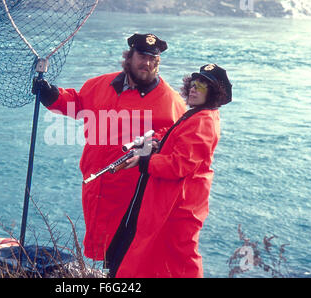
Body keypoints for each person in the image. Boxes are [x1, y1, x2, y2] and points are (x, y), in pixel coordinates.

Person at [33, 33, 186, 261]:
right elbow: (77, 103)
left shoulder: (170, 100)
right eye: (142, 56)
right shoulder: (99, 85)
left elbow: (175, 139)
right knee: (102, 248)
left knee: (128, 250)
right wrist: (51, 95)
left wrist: (153, 145)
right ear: (129, 56)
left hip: (133, 189)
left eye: (153, 59)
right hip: (96, 182)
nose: (147, 63)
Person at [105, 63, 232, 277]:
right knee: (166, 255)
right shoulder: (198, 116)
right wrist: (157, 144)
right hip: (178, 201)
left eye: (202, 85)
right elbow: (178, 143)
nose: (194, 88)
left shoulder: (203, 122)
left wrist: (145, 162)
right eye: (194, 83)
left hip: (181, 205)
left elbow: (179, 164)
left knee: (181, 257)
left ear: (214, 93)